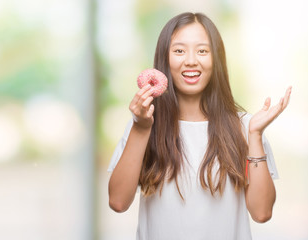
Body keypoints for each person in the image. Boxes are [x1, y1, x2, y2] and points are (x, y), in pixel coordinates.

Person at [107, 12, 292, 240]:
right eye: (179, 51)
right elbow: (117, 201)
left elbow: (262, 212)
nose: (191, 60)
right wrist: (141, 128)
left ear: (216, 60)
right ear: (165, 60)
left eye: (202, 51)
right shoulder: (144, 123)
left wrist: (254, 135)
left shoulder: (245, 126)